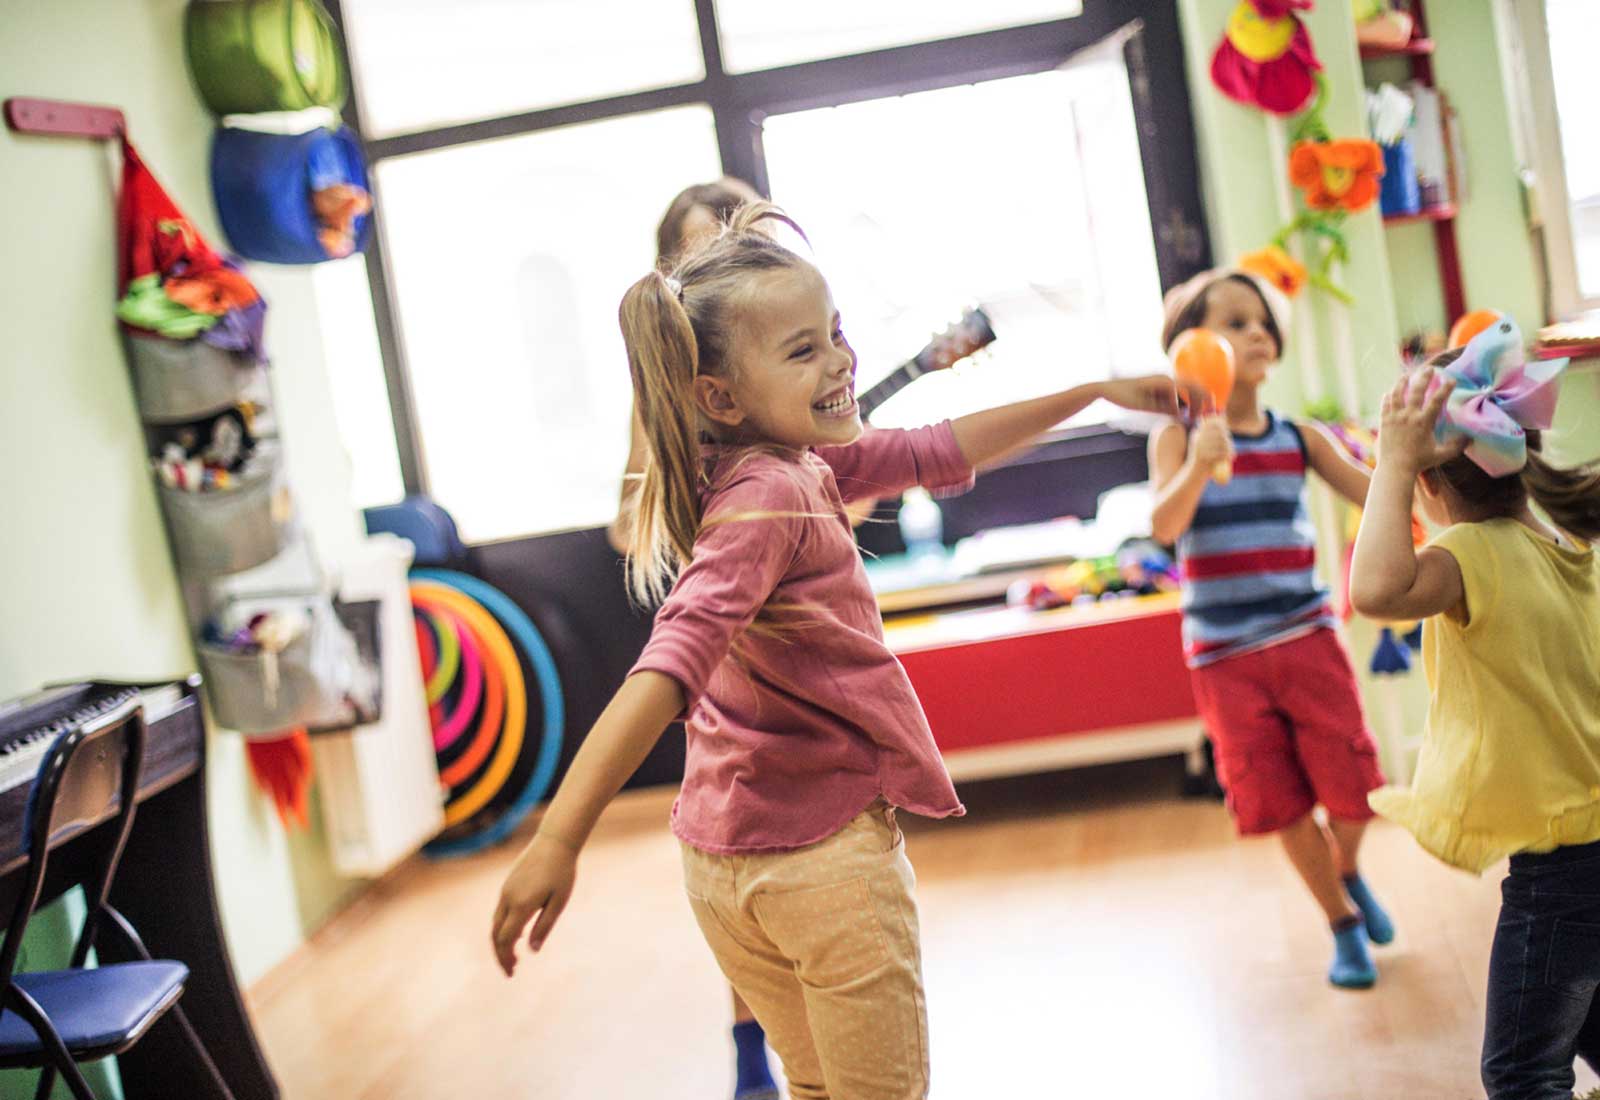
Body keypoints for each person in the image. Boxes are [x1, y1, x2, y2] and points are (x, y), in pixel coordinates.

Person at [493, 202, 1192, 1099]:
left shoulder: (769, 467)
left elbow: (937, 445)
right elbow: (666, 670)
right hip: (819, 865)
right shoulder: (775, 496)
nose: (840, 362)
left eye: (835, 334)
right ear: (719, 396)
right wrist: (558, 838)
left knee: (819, 1090)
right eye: (803, 351)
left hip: (721, 862)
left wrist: (1093, 391)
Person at [1351, 320, 1600, 1099]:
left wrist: (1389, 462)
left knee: (1521, 1071)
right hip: (1595, 836)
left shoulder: (1471, 556)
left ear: (1429, 483)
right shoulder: (1563, 542)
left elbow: (1374, 590)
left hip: (1561, 869)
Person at [1148, 267, 1394, 989]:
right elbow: (1165, 528)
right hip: (1224, 658)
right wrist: (1197, 464)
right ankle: (1341, 924)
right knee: (1280, 802)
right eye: (1233, 321)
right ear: (1189, 347)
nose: (1254, 332)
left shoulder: (1299, 437)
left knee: (1356, 792)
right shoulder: (1175, 438)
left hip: (1307, 636)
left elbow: (1378, 490)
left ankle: (1345, 870)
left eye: (1261, 321)